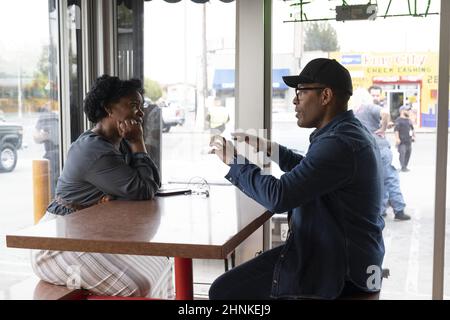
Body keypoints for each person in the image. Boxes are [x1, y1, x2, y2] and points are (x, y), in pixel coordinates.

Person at [208, 58, 385, 300]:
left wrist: (234, 161)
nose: (294, 99)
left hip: (338, 272)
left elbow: (278, 196)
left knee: (223, 293)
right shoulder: (348, 132)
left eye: (301, 92)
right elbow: (313, 172)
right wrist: (271, 148)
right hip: (345, 258)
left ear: (325, 96)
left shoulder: (339, 143)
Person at [31, 75, 173, 298]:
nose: (140, 112)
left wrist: (135, 144)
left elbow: (152, 184)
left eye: (141, 106)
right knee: (139, 283)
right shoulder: (94, 150)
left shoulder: (116, 143)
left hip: (86, 236)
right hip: (56, 247)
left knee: (161, 263)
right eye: (133, 105)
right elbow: (144, 190)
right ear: (109, 108)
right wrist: (138, 142)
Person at [355, 86, 411, 221]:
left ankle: (380, 209)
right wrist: (383, 128)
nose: (374, 98)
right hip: (380, 147)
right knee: (391, 177)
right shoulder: (368, 107)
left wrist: (383, 125)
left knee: (377, 179)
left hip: (367, 149)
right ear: (367, 97)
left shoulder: (354, 111)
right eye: (372, 95)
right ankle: (399, 209)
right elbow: (385, 113)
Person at [33, 104, 60, 197]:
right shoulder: (55, 116)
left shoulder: (46, 117)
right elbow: (36, 137)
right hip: (56, 153)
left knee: (52, 183)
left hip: (53, 154)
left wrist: (46, 136)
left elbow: (36, 137)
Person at [395, 105, 415, 172]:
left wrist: (414, 136)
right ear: (402, 111)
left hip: (408, 141)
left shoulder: (409, 120)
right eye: (407, 110)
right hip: (402, 141)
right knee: (402, 154)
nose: (409, 112)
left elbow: (412, 129)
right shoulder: (398, 120)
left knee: (408, 154)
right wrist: (397, 138)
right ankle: (402, 167)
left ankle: (405, 167)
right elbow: (396, 130)